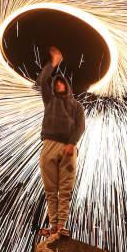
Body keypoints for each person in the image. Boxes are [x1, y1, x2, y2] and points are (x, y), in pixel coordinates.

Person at [36, 45, 86, 237]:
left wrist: (72, 143)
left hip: (68, 147)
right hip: (48, 145)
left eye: (61, 83)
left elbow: (80, 127)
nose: (57, 86)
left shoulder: (76, 106)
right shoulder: (49, 101)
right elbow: (42, 81)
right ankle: (53, 225)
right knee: (51, 190)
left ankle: (61, 225)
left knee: (65, 189)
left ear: (67, 86)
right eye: (55, 84)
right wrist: (53, 63)